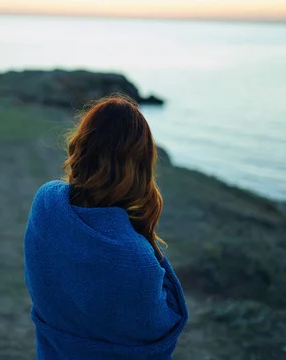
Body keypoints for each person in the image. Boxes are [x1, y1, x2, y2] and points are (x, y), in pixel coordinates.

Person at [24, 94, 188, 359]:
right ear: (141, 165)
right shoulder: (136, 258)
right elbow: (166, 325)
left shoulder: (46, 204)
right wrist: (145, 235)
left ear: (82, 144)